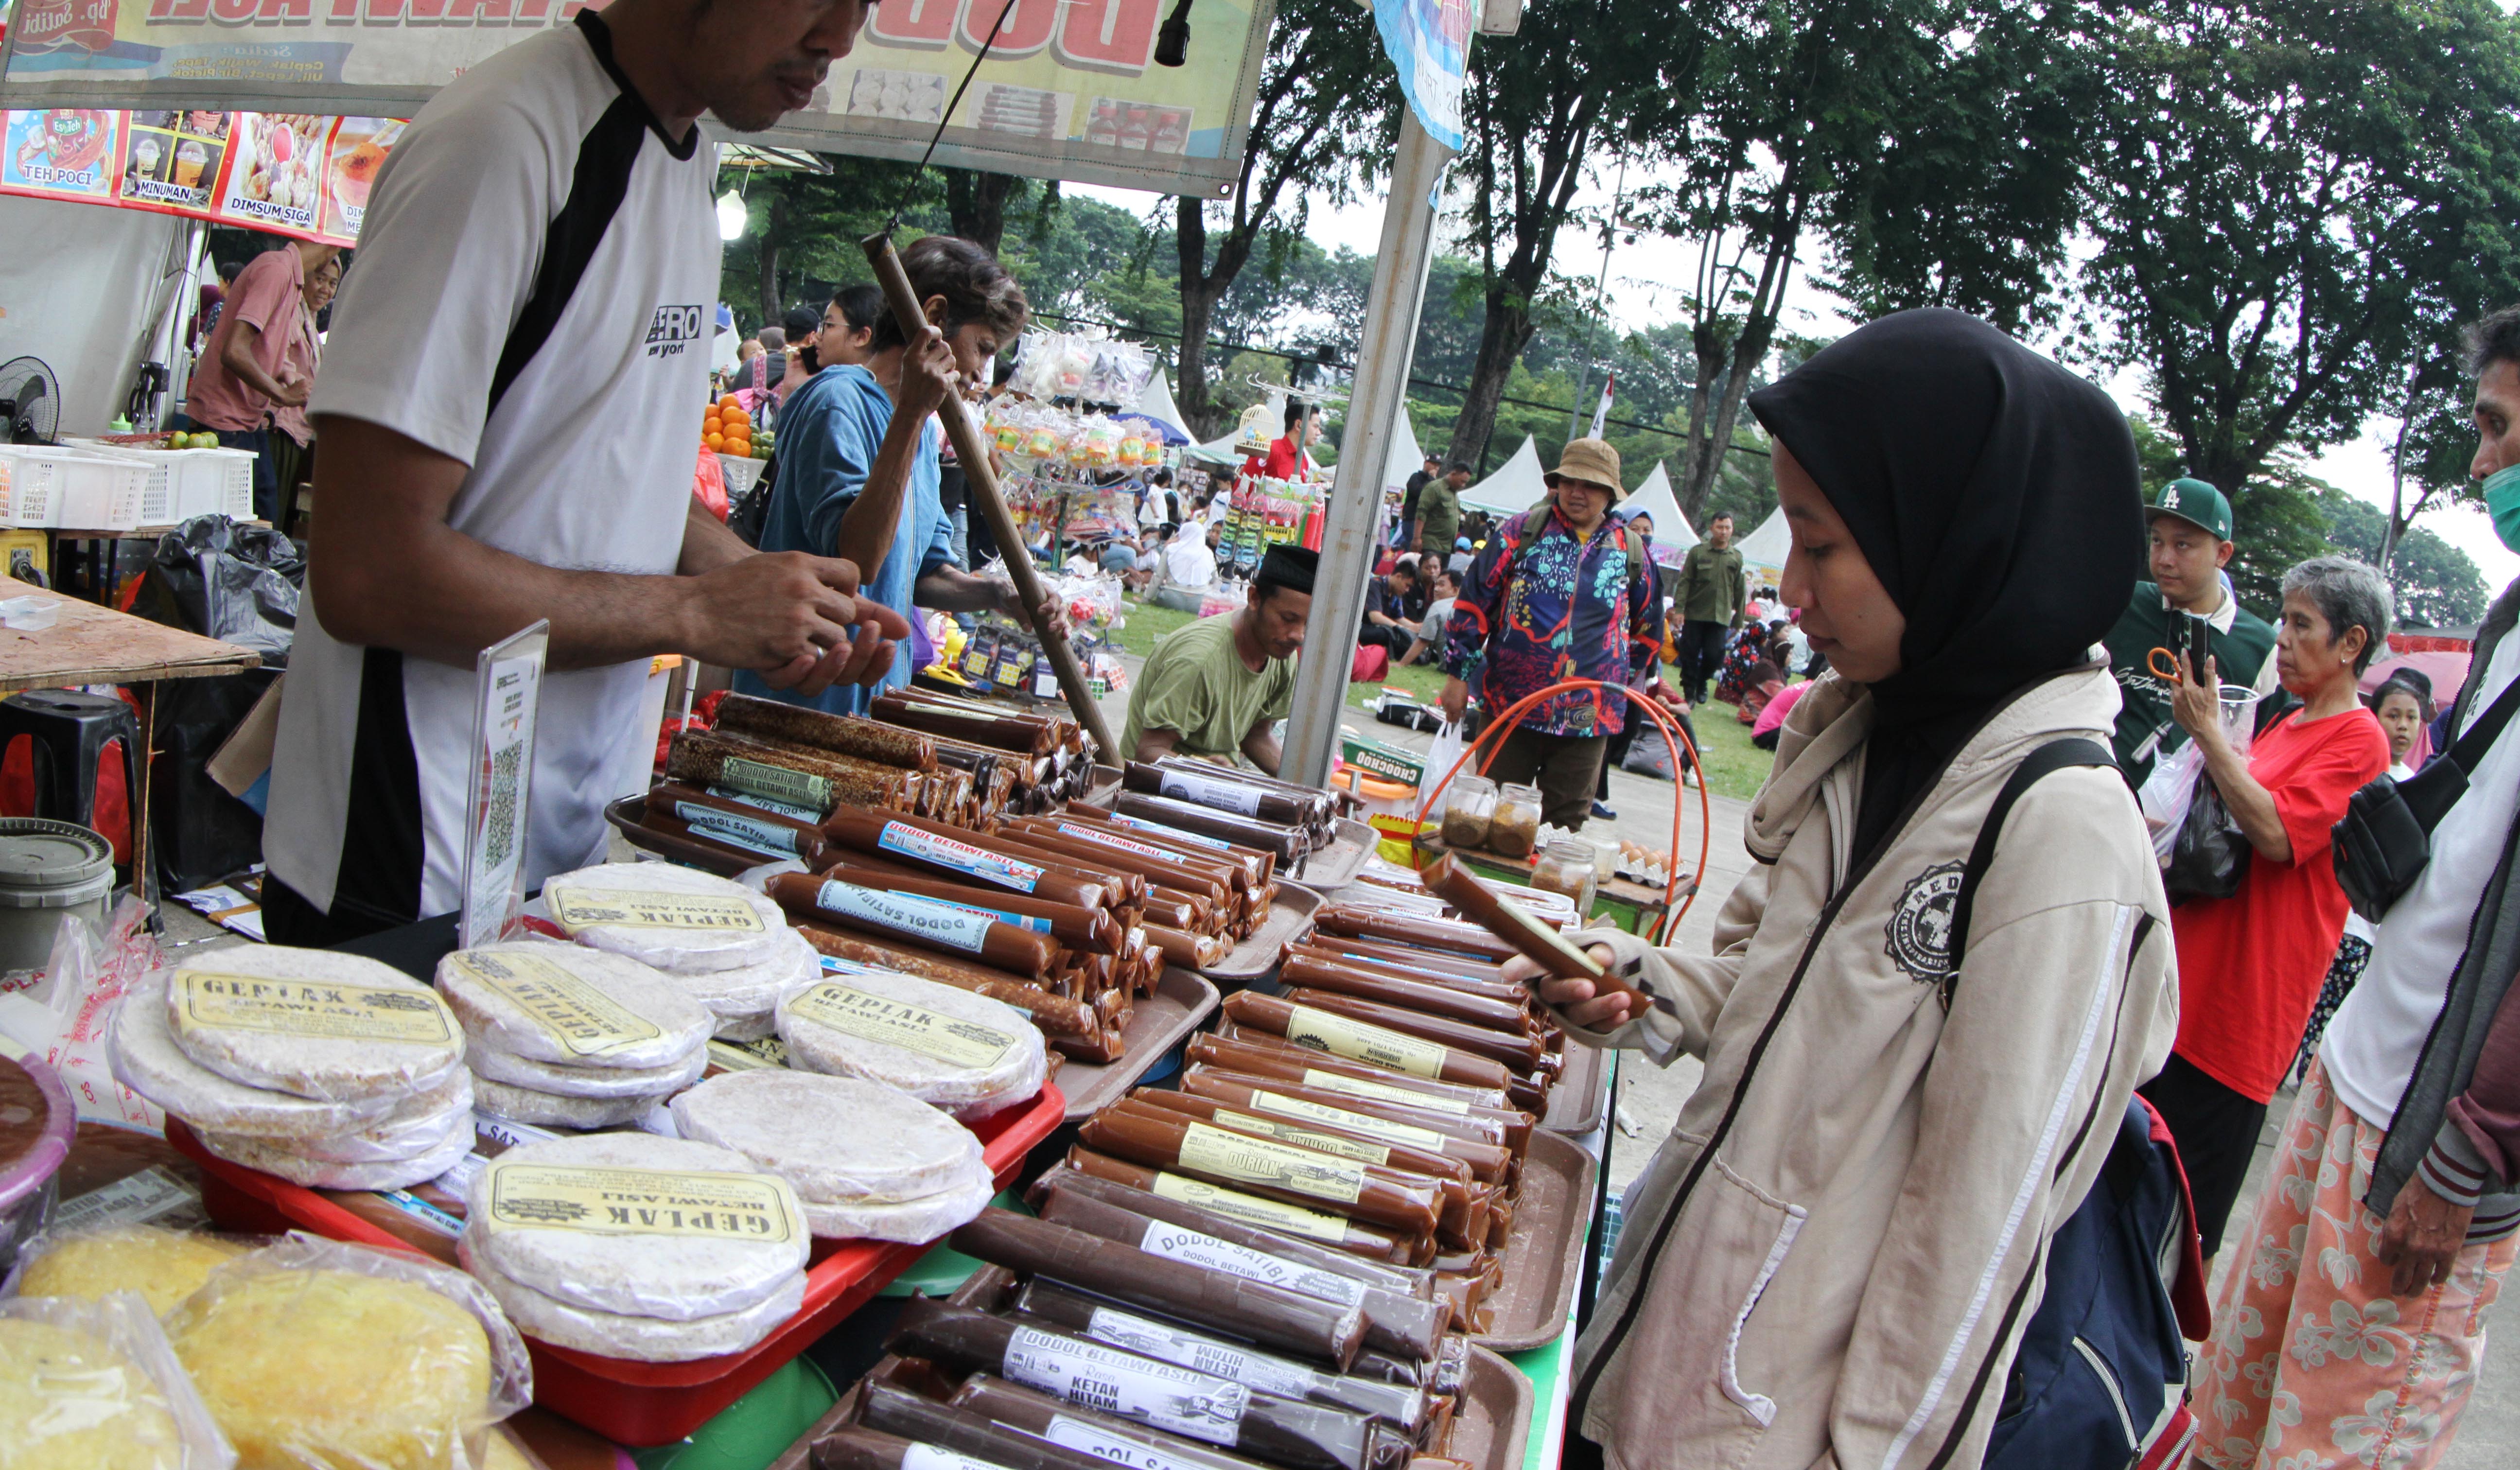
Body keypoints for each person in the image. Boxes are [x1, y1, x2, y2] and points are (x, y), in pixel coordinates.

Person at [1519, 310, 2174, 1470]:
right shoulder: (1853, 733)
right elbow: (1768, 985)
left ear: (1947, 542)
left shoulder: (2060, 838)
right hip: (1673, 1358)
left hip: (1798, 1435)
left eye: (1820, 546)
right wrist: (1642, 983)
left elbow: (1971, 1245)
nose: (1790, 588)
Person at [266, 0, 908, 946]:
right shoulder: (506, 145)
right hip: (411, 854)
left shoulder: (690, 168)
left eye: (862, 6)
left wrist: (739, 576)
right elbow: (366, 572)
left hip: (556, 841)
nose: (839, 39)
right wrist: (695, 616)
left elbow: (594, 465)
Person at [2195, 312, 2520, 1470]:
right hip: (2354, 1079)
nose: (2478, 460)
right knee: (2241, 1399)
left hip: (2428, 1139)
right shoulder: (2510, 626)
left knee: (2338, 1443)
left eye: (2495, 427)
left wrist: (2472, 1148)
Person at [2139, 555, 2392, 1262]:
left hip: (2240, 1017)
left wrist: (2210, 736)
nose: (2281, 637)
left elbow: (2280, 835)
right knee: (2125, 1199)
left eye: (2301, 624)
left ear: (2352, 645)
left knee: (2179, 1237)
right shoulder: (2283, 723)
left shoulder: (2359, 739)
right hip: (2185, 988)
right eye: (2283, 620)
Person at [743, 235, 1043, 716]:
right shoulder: (838, 400)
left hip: (877, 703)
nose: (983, 373)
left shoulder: (922, 430)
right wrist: (910, 415)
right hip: (804, 703)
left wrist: (999, 594)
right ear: (937, 318)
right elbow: (858, 561)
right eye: (983, 348)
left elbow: (924, 572)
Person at [1440, 439, 1674, 832]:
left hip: (1588, 718)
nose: (1576, 492)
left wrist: (1612, 681)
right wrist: (1456, 676)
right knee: (1489, 818)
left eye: (1590, 485)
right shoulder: (1522, 532)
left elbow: (1648, 629)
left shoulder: (1630, 550)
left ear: (1611, 494)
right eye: (1568, 481)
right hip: (1512, 703)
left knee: (1564, 827)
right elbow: (1473, 604)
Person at [2288, 668, 2433, 1085]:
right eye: (2394, 715)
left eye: (2412, 717)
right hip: (2328, 911)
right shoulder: (2355, 763)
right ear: (2376, 715)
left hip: (2364, 929)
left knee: (2332, 1013)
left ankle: (2309, 1075)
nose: (2403, 726)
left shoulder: (2417, 788)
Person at [2103, 477, 2285, 789]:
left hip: (2189, 831)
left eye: (2182, 545)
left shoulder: (2262, 648)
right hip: (2099, 802)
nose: (2164, 559)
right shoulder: (2122, 604)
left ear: (2223, 554)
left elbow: (2270, 757)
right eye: (2158, 541)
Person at [178, 236, 342, 522]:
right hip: (225, 420)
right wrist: (282, 396)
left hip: (247, 420)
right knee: (251, 525)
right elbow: (235, 352)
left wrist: (292, 381)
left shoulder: (291, 280)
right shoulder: (276, 270)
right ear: (331, 247)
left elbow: (265, 351)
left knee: (262, 520)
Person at [1123, 544, 1313, 773]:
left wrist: (1309, 786)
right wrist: (1202, 770)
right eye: (1288, 618)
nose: (1299, 636)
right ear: (1254, 598)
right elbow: (1149, 752)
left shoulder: (1282, 655)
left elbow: (1256, 735)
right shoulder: (1199, 661)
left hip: (1215, 785)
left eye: (1308, 623)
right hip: (1145, 788)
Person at [1598, 504, 1689, 814]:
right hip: (1606, 662)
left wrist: (1649, 670)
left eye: (1648, 531)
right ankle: (1594, 796)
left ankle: (1596, 792)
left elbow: (1653, 619)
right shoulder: (1607, 559)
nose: (1642, 536)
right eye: (1636, 529)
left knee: (1627, 727)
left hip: (1638, 668)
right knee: (1602, 732)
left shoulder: (1650, 567)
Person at [267, 250, 343, 530]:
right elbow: (277, 361)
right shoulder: (291, 314)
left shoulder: (310, 320)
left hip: (298, 429)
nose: (325, 289)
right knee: (272, 511)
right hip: (281, 425)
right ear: (306, 278)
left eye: (332, 283)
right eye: (320, 279)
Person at [1671, 509, 1746, 704]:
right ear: (1712, 528)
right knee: (1689, 653)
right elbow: (1685, 581)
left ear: (1732, 530)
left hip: (1720, 616)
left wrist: (1739, 619)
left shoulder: (1736, 557)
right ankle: (1689, 690)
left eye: (1727, 528)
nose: (1723, 532)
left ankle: (1702, 682)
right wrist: (1679, 609)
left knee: (1715, 655)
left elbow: (1740, 589)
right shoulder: (1698, 552)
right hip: (1695, 613)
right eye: (1720, 527)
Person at [1400, 565, 1460, 666]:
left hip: (1452, 666)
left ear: (1455, 590)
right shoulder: (1470, 606)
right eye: (1436, 585)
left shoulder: (1437, 607)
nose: (1436, 589)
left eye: (1442, 585)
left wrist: (1402, 664)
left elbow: (1424, 640)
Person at [1359, 560, 1421, 657]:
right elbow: (1375, 617)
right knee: (1386, 634)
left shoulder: (1396, 593)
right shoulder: (1375, 585)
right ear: (1399, 577)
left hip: (1376, 628)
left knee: (1403, 636)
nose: (1407, 590)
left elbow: (1399, 618)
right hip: (1361, 627)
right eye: (1407, 586)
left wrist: (1416, 628)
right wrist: (1402, 629)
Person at [1417, 461, 1466, 563]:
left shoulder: (1454, 494)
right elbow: (1422, 513)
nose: (1463, 485)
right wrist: (1417, 538)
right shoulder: (1435, 488)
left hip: (1447, 547)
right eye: (1462, 481)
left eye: (1465, 483)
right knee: (1429, 575)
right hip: (1432, 544)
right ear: (1453, 474)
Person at [1162, 517, 1219, 591]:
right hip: (1199, 596)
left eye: (1218, 533)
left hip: (1174, 592)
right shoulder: (1208, 551)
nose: (1213, 535)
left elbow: (1158, 576)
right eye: (1212, 531)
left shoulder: (1172, 549)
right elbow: (1215, 578)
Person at [1400, 453, 1439, 547]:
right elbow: (1421, 494)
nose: (1436, 468)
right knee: (1412, 548)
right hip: (1412, 519)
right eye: (1433, 464)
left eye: (1438, 465)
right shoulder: (1416, 477)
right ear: (1426, 463)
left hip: (1427, 522)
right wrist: (1431, 479)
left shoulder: (1436, 482)